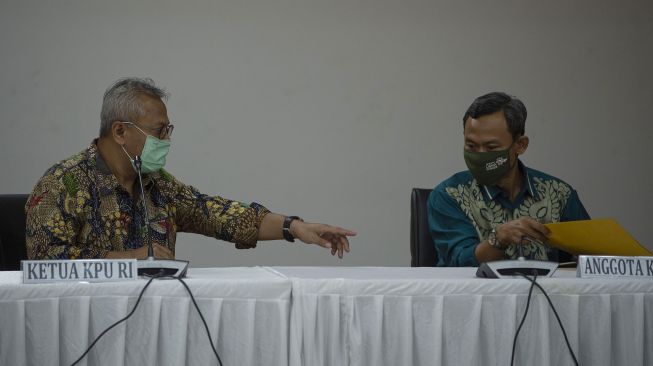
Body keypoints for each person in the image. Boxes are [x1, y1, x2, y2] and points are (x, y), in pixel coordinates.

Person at [25, 77, 355, 260]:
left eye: (169, 131)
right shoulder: (63, 183)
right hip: (84, 325)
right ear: (120, 132)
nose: (166, 140)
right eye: (159, 131)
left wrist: (294, 227)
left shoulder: (158, 185)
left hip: (155, 318)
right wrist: (129, 260)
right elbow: (44, 259)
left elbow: (219, 215)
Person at [428, 92, 589, 266]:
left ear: (520, 145)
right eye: (471, 145)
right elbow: (459, 262)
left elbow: (594, 254)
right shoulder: (449, 195)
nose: (479, 155)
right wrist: (498, 239)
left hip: (545, 292)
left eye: (491, 147)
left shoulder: (559, 194)